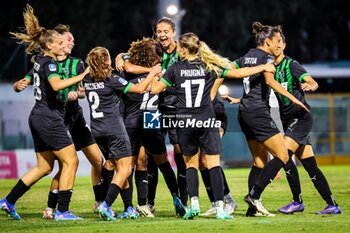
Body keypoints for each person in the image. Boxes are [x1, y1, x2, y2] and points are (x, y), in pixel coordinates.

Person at [151, 32, 276, 220]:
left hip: (185, 121)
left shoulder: (175, 68)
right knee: (213, 164)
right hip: (207, 120)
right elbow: (239, 73)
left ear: (184, 50)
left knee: (190, 164)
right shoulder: (210, 65)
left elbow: (154, 90)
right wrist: (263, 66)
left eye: (179, 48)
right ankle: (219, 207)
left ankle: (193, 204)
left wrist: (155, 75)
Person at [0, 4, 89, 220]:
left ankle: (8, 201)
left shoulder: (40, 60)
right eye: (59, 43)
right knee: (71, 161)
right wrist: (83, 74)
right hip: (49, 118)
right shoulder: (49, 63)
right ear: (49, 45)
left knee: (44, 167)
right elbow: (57, 85)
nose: (63, 45)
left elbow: (27, 80)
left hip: (38, 117)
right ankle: (63, 211)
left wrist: (17, 85)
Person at [232, 21, 309, 217]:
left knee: (259, 162)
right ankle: (254, 196)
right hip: (258, 113)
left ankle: (252, 210)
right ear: (267, 41)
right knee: (283, 155)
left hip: (244, 112)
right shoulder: (267, 58)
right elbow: (270, 82)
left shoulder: (247, 56)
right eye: (277, 41)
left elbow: (226, 70)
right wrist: (295, 100)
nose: (279, 45)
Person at [115, 17, 188, 214]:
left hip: (174, 109)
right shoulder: (154, 50)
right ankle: (149, 202)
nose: (162, 35)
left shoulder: (183, 52)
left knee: (178, 156)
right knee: (150, 159)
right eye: (159, 31)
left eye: (166, 31)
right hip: (153, 113)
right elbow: (128, 63)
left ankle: (181, 199)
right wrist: (123, 57)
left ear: (174, 32)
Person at [84, 46, 161, 221]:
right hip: (114, 130)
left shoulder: (87, 79)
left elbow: (83, 91)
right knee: (125, 169)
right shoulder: (111, 79)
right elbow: (140, 88)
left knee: (117, 167)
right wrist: (153, 72)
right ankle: (106, 204)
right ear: (105, 61)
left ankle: (129, 208)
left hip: (97, 131)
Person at [274, 34, 341, 215]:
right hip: (289, 120)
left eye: (280, 42)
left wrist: (311, 85)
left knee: (284, 156)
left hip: (300, 118)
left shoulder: (291, 65)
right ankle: (332, 204)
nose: (277, 45)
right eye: (275, 42)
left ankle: (296, 201)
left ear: (285, 45)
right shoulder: (270, 67)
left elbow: (312, 82)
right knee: (310, 165)